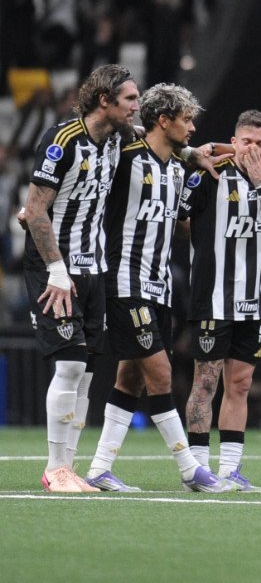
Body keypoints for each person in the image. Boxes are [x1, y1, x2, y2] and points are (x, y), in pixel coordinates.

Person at [84, 83, 233, 493]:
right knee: (161, 374)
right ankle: (190, 469)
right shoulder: (125, 156)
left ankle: (99, 469)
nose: (193, 127)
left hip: (160, 285)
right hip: (124, 281)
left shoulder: (178, 169)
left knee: (130, 378)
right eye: (186, 119)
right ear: (163, 121)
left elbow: (179, 224)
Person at [21, 65, 139, 492]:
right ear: (104, 100)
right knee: (70, 365)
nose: (136, 106)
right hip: (57, 270)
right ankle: (55, 468)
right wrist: (56, 269)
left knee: (86, 371)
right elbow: (35, 209)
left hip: (95, 269)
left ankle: (68, 469)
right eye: (129, 98)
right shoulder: (62, 140)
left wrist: (199, 153)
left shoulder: (118, 138)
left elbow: (161, 139)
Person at [181, 110, 261, 491]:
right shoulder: (209, 173)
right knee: (205, 382)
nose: (253, 149)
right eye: (246, 142)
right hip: (212, 298)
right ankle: (197, 469)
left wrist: (260, 183)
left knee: (240, 384)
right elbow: (176, 217)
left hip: (253, 300)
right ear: (234, 140)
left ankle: (230, 470)